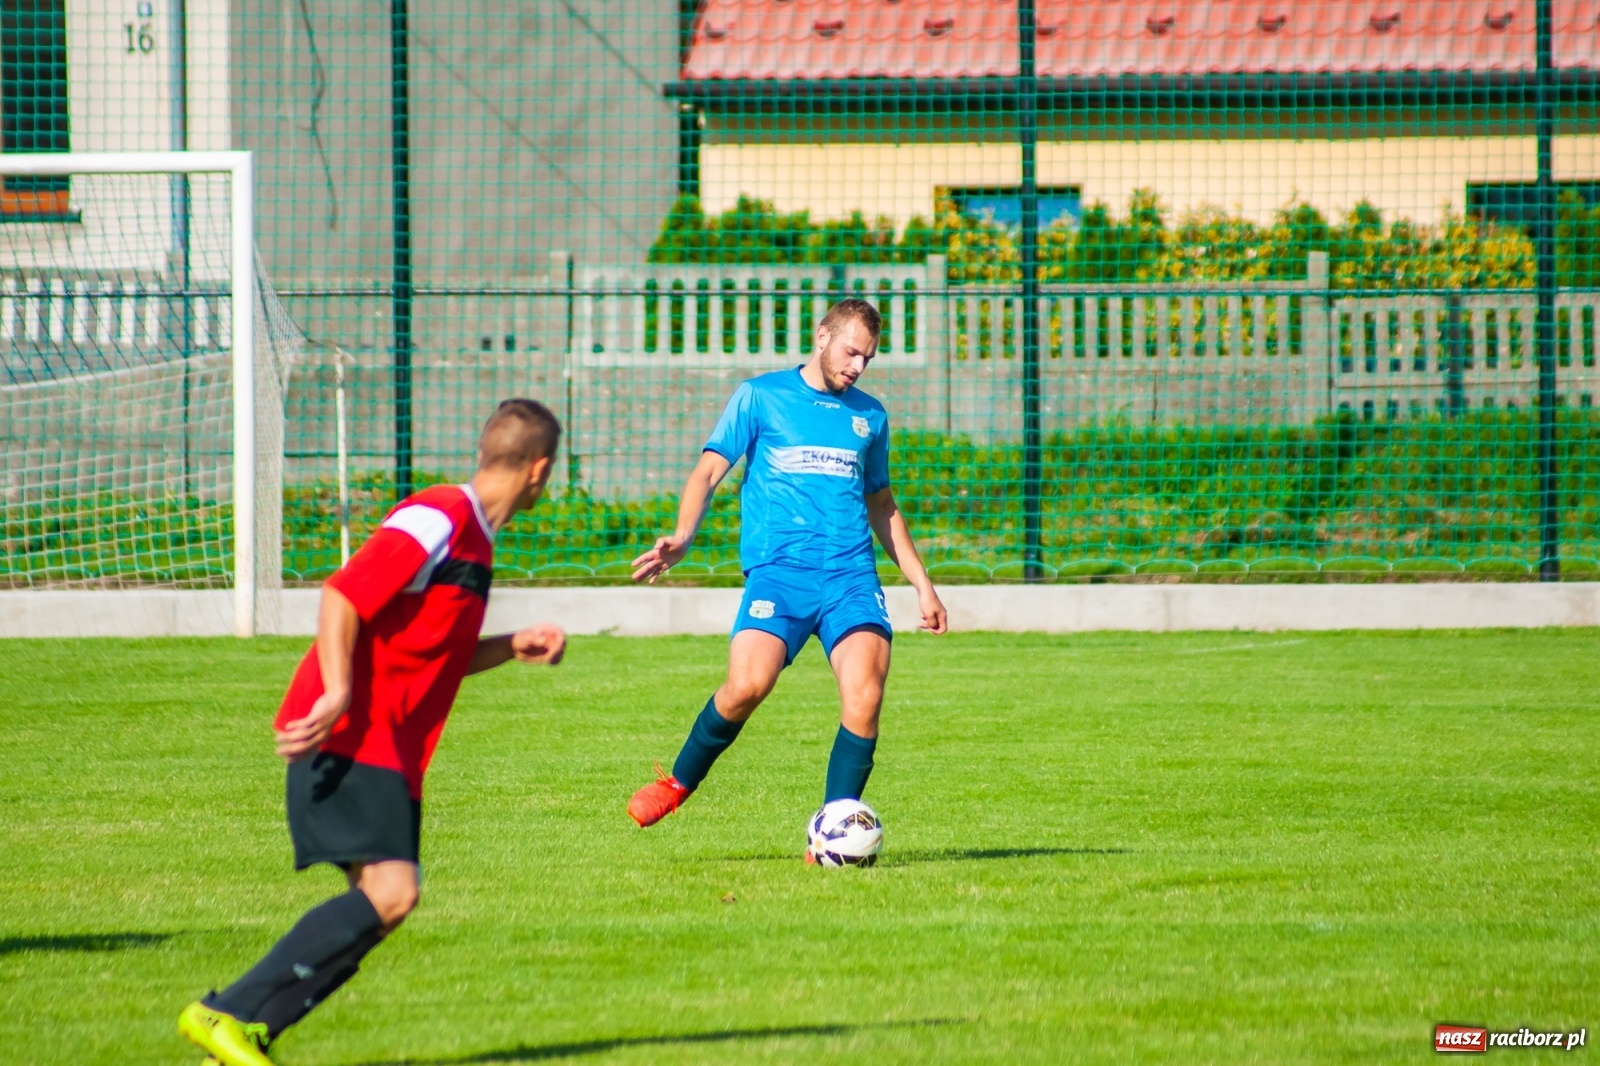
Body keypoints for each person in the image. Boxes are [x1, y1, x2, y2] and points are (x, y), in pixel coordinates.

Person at [178, 399, 569, 1066]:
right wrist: (336, 689)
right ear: (540, 469)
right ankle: (230, 1012)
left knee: (382, 906)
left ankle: (247, 1033)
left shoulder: (476, 539)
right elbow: (344, 592)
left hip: (385, 748)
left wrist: (511, 645)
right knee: (393, 893)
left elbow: (437, 655)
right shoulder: (439, 515)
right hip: (349, 736)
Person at [627, 298, 948, 850]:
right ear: (822, 337)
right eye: (852, 352)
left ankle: (831, 837)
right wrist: (682, 537)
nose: (858, 366)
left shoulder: (870, 417)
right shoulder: (760, 396)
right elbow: (707, 472)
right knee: (747, 686)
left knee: (865, 697)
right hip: (779, 574)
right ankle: (678, 782)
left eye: (868, 358)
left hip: (851, 577)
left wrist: (923, 584)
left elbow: (882, 504)